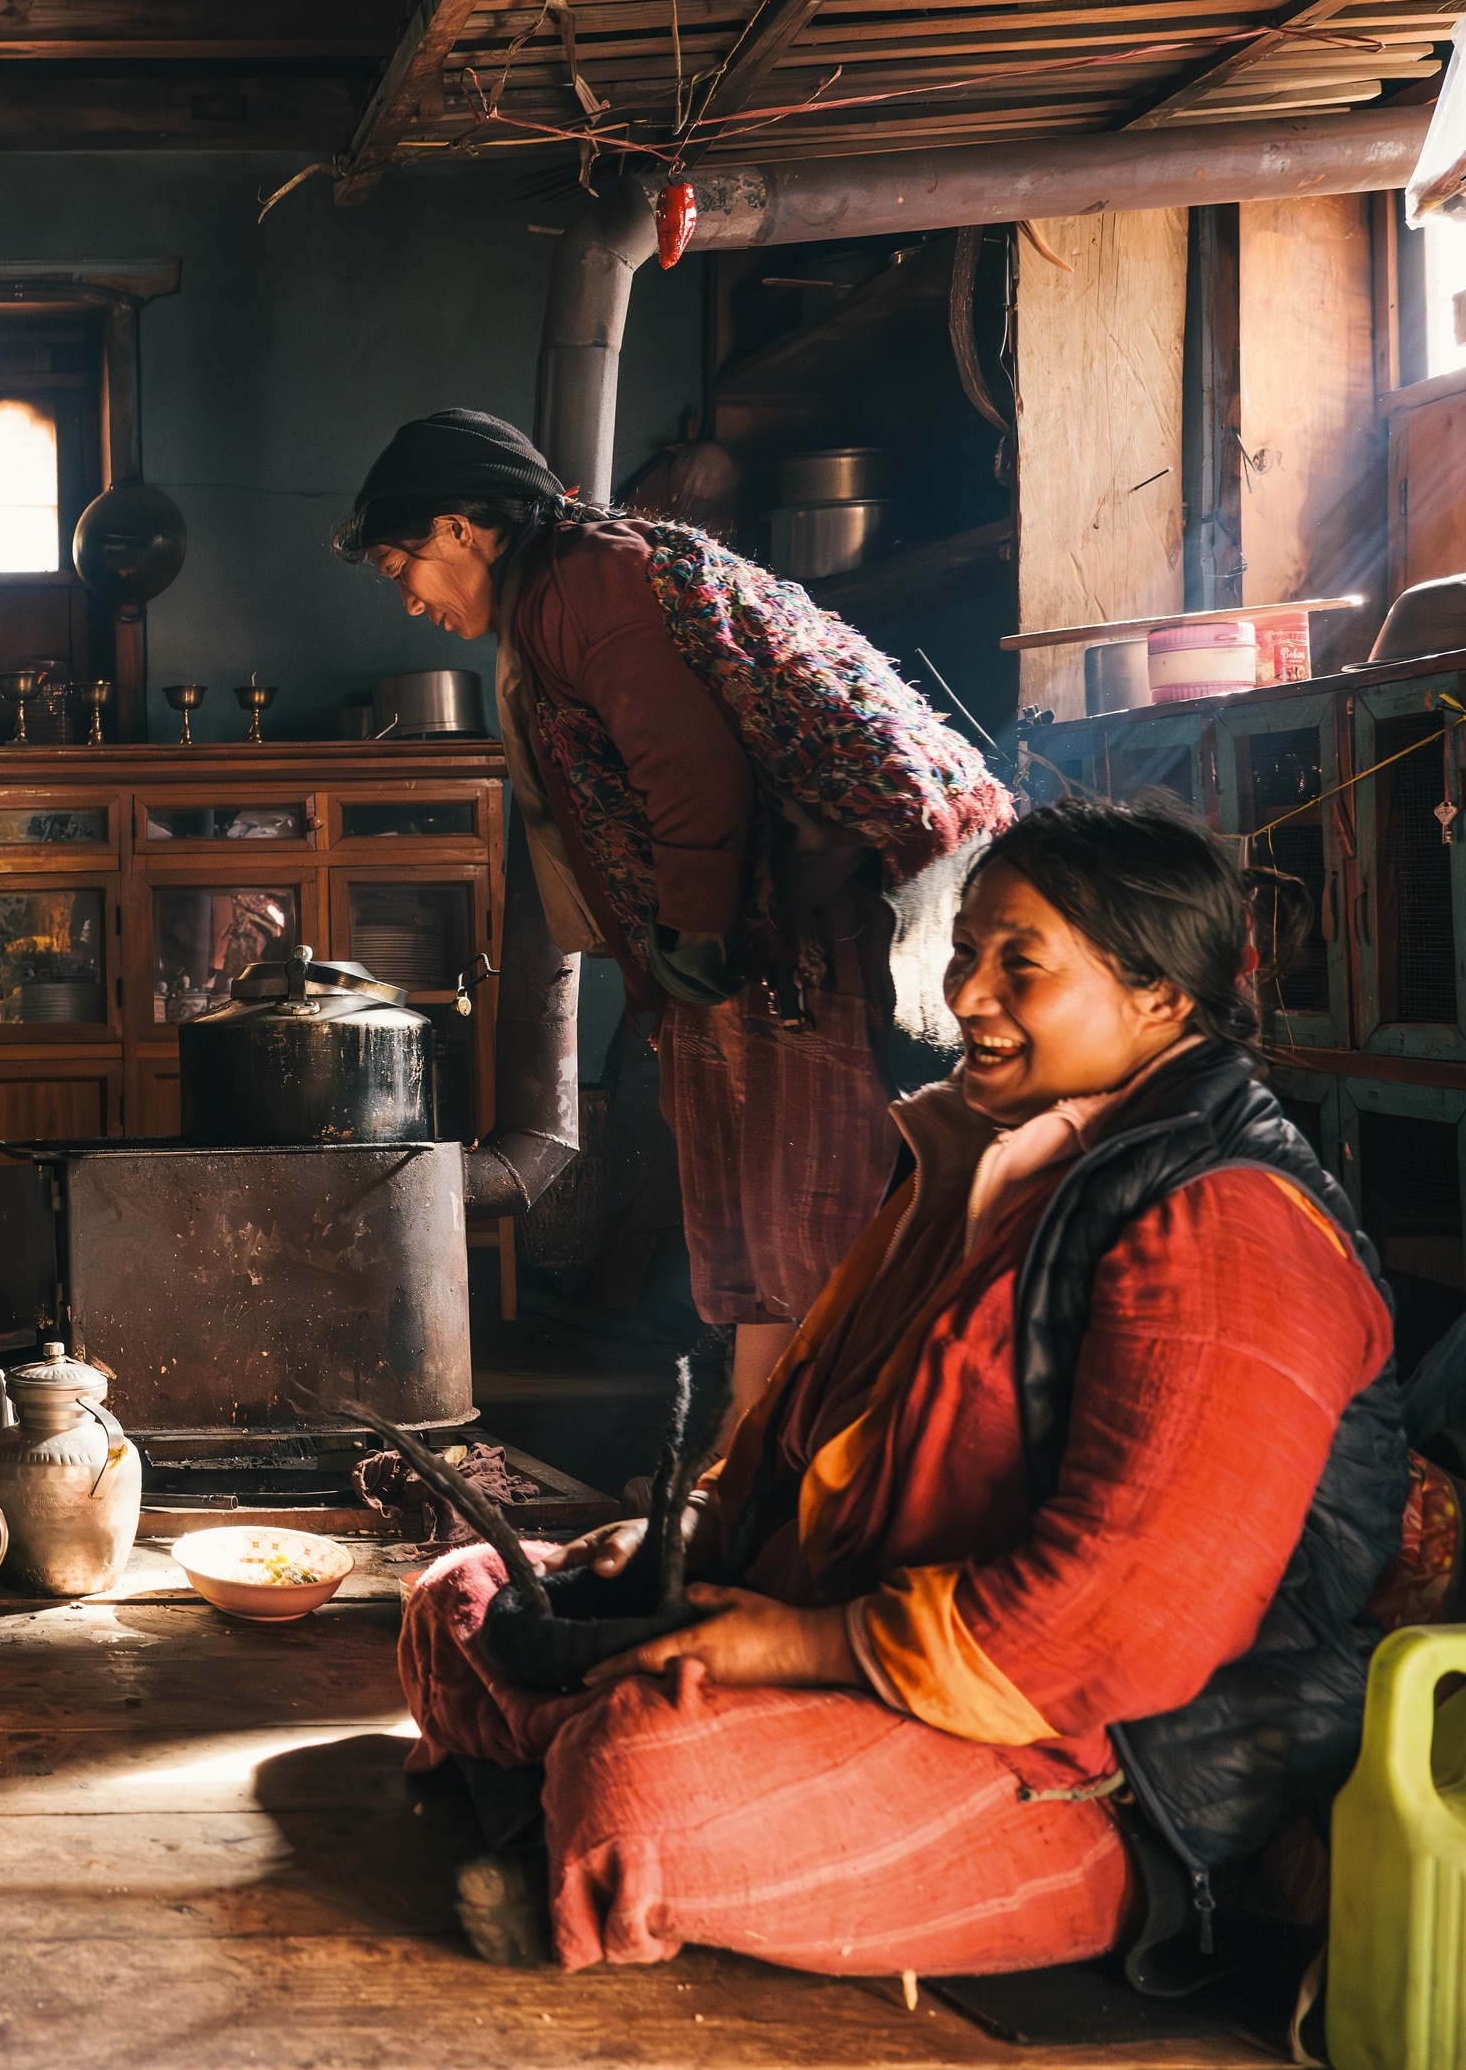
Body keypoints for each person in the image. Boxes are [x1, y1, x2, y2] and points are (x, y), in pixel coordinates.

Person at [399, 797, 1447, 1985]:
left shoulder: (1229, 1222)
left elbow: (1123, 1627)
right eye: (965, 950)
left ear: (1162, 1000)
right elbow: (817, 1433)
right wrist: (684, 1538)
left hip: (1109, 1761)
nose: (967, 996)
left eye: (1022, 965)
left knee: (639, 1774)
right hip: (871, 1642)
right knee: (462, 1596)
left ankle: (574, 1763)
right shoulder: (983, 1154)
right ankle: (583, 1746)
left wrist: (798, 1644)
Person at [334, 408, 1008, 1422]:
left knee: (803, 1207)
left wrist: (697, 930)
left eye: (403, 565)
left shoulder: (584, 579)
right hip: (776, 904)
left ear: (464, 528)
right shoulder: (558, 587)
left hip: (818, 897)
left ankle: (823, 1473)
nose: (407, 599)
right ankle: (746, 1456)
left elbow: (684, 765)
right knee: (753, 1219)